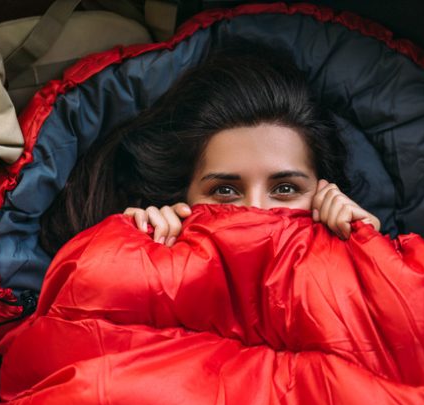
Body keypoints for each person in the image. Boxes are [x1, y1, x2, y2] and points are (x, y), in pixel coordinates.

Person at [40, 42, 379, 254]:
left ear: (326, 193)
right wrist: (121, 258)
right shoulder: (138, 262)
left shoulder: (365, 259)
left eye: (286, 188)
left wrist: (371, 258)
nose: (256, 213)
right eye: (226, 190)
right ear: (181, 201)